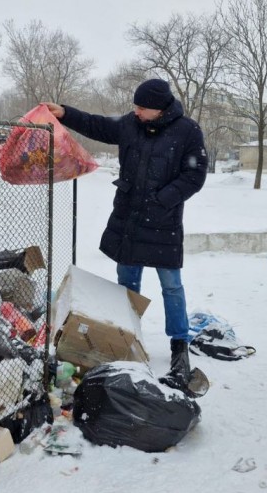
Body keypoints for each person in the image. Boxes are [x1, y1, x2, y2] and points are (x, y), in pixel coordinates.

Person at [42, 78, 208, 394]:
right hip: (130, 219)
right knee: (127, 284)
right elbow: (97, 125)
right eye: (135, 106)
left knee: (171, 285)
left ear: (159, 109)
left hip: (163, 222)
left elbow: (195, 174)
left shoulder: (188, 131)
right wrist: (65, 112)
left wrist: (163, 199)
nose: (136, 111)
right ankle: (127, 338)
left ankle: (179, 344)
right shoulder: (131, 125)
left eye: (141, 107)